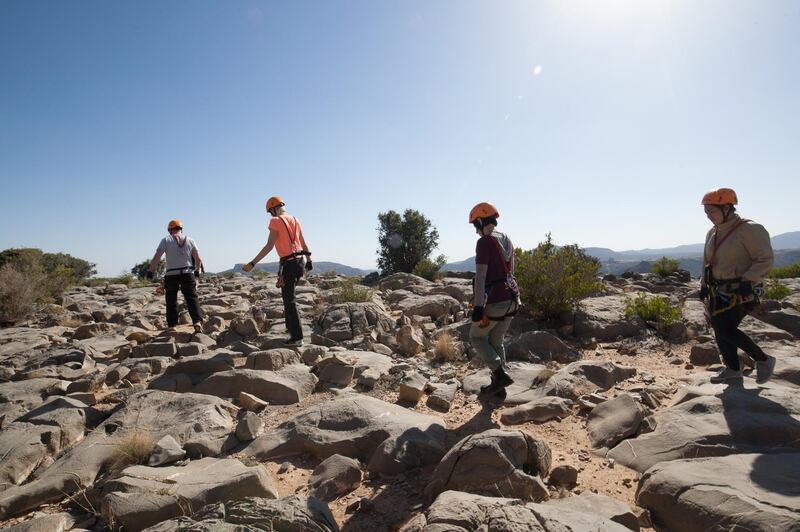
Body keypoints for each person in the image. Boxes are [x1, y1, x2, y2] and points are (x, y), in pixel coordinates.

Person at [699, 188, 776, 384]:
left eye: (712, 212)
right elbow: (707, 261)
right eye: (706, 212)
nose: (708, 216)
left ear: (727, 208)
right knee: (720, 329)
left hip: (743, 290)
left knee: (724, 328)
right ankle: (733, 368)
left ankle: (763, 359)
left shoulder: (750, 229)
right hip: (718, 289)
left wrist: (749, 280)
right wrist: (704, 284)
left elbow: (765, 259)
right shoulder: (713, 233)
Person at [242, 196, 312, 346]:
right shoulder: (295, 219)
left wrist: (253, 263)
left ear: (274, 208)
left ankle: (297, 337)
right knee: (288, 297)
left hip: (289, 263)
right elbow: (303, 242)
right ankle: (291, 331)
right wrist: (310, 260)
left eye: (270, 211)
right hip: (301, 261)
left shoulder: (275, 221)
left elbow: (269, 246)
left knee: (289, 299)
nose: (270, 215)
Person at [468, 202, 521, 398]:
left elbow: (481, 276)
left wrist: (478, 306)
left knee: (477, 337)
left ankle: (499, 375)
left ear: (481, 220)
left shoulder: (484, 242)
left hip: (496, 301)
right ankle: (499, 386)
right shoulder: (507, 239)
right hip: (512, 299)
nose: (476, 231)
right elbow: (511, 272)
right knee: (497, 341)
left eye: (475, 225)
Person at [147, 219, 204, 332]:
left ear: (170, 230)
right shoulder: (190, 240)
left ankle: (172, 325)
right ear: (181, 229)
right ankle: (197, 322)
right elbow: (198, 258)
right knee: (192, 298)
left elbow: (157, 257)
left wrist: (151, 271)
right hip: (188, 273)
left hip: (171, 274)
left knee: (171, 300)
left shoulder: (166, 240)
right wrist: (197, 271)